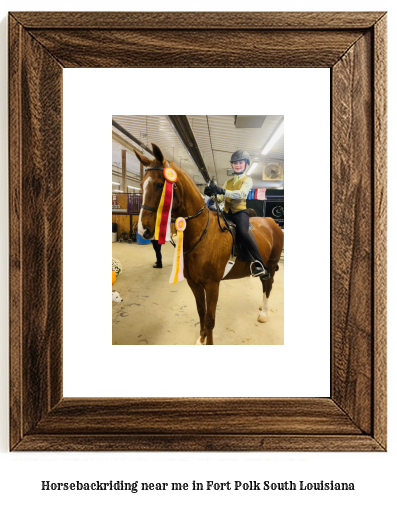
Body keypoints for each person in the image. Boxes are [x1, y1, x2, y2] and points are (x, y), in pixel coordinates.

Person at [204, 150, 270, 279]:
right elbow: (221, 199)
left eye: (240, 162)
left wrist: (221, 190)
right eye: (235, 163)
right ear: (232, 165)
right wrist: (212, 195)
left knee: (243, 233)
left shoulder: (247, 180)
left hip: (239, 213)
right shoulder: (228, 182)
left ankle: (260, 264)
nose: (237, 165)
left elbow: (240, 194)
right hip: (226, 213)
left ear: (246, 164)